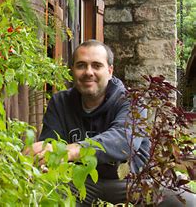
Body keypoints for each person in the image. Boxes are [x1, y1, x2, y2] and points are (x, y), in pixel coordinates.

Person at [25, 40, 194, 206]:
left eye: (97, 65)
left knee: (189, 202)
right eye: (81, 65)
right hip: (81, 183)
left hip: (131, 182)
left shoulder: (131, 101)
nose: (88, 72)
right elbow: (49, 146)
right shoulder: (60, 102)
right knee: (41, 195)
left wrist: (72, 150)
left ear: (110, 71)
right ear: (73, 70)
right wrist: (45, 162)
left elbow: (124, 140)